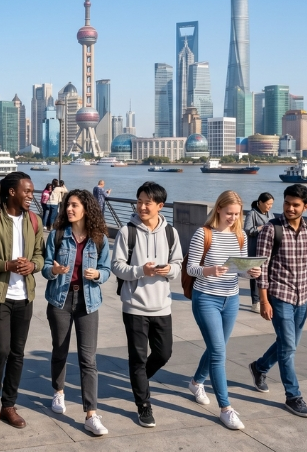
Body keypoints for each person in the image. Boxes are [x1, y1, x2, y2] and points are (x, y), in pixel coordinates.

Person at [0, 171, 45, 429]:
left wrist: (32, 266)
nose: (31, 196)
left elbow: (40, 255)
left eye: (32, 191)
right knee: (0, 349)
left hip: (25, 296)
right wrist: (6, 265)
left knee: (17, 352)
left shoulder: (34, 221)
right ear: (12, 192)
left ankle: (9, 405)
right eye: (27, 191)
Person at [250, 184, 307, 419]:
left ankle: (259, 367)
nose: (290, 208)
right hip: (279, 295)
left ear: (306, 207)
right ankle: (293, 396)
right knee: (288, 348)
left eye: (295, 205)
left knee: (288, 344)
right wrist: (264, 301)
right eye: (287, 203)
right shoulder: (271, 229)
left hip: (302, 297)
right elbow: (262, 267)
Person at [185, 190, 260, 430]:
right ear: (218, 209)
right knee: (218, 352)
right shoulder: (203, 234)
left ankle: (196, 382)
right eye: (229, 213)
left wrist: (250, 272)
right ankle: (226, 409)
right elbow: (190, 268)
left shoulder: (240, 235)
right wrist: (209, 270)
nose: (233, 218)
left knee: (216, 348)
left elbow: (239, 269)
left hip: (232, 299)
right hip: (206, 298)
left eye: (237, 214)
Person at [111, 182, 183, 428]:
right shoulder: (127, 232)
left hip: (162, 305)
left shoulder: (171, 233)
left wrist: (168, 269)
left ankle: (139, 379)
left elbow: (178, 264)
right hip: (134, 306)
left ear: (160, 206)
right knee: (138, 358)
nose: (141, 206)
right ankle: (143, 404)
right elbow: (117, 266)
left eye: (147, 203)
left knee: (164, 353)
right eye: (139, 201)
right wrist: (141, 270)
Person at [43, 189, 111, 436]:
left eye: (74, 205)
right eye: (67, 205)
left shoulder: (99, 238)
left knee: (88, 358)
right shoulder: (57, 235)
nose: (69, 209)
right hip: (60, 300)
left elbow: (106, 269)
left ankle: (91, 414)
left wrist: (98, 274)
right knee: (60, 350)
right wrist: (54, 270)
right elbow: (45, 266)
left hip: (88, 302)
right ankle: (58, 392)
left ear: (86, 209)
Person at [244, 193, 274, 313]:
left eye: (271, 204)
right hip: (255, 248)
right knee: (255, 275)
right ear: (260, 202)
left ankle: (266, 300)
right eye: (268, 204)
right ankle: (255, 303)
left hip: (268, 248)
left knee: (267, 274)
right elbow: (247, 230)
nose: (270, 206)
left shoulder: (270, 214)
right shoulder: (252, 213)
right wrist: (260, 228)